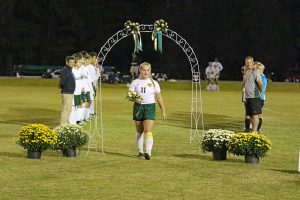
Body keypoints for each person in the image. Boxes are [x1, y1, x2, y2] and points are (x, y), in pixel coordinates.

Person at [129, 62, 166, 160]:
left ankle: (148, 152)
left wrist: (163, 110)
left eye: (148, 70)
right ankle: (140, 151)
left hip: (150, 107)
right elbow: (130, 95)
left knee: (148, 130)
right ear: (140, 70)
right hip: (138, 108)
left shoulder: (154, 83)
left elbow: (159, 98)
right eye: (143, 70)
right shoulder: (135, 82)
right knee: (139, 131)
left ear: (150, 71)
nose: (145, 72)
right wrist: (135, 99)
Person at [242, 56, 263, 133]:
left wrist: (260, 91)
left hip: (254, 96)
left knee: (255, 115)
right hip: (247, 96)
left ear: (253, 62)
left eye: (250, 62)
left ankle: (255, 131)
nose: (248, 64)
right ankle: (253, 130)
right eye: (247, 62)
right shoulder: (247, 71)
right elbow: (243, 84)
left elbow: (260, 83)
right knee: (250, 114)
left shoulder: (256, 71)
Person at [59, 56, 76, 124]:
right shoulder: (65, 70)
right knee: (66, 110)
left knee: (68, 109)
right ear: (67, 62)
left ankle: (66, 123)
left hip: (69, 92)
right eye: (71, 62)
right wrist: (67, 88)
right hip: (67, 93)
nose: (72, 64)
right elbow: (62, 82)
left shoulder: (69, 70)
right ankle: (63, 124)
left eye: (73, 62)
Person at [255, 62, 267, 133]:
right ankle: (255, 128)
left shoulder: (263, 78)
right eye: (258, 69)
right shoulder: (256, 76)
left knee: (258, 114)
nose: (259, 71)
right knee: (254, 114)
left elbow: (262, 90)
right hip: (255, 97)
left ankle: (258, 129)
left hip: (259, 98)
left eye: (261, 69)